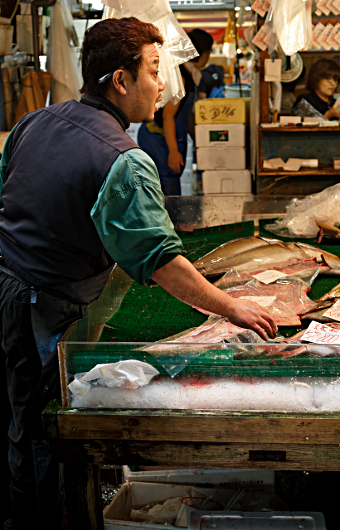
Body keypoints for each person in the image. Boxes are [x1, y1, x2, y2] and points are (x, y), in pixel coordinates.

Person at [0, 17, 277, 530]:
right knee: (41, 427)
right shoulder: (123, 157)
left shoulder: (33, 122)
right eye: (154, 70)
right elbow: (161, 262)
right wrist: (231, 305)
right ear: (121, 82)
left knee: (17, 417)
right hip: (41, 308)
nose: (163, 84)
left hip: (8, 285)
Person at [138, 28, 214, 196]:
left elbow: (185, 115)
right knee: (168, 187)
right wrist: (173, 151)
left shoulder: (188, 72)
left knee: (169, 184)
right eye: (209, 52)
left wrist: (199, 140)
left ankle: (173, 220)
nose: (209, 57)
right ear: (200, 52)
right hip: (159, 140)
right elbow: (168, 116)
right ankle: (171, 221)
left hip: (169, 137)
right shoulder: (180, 76)